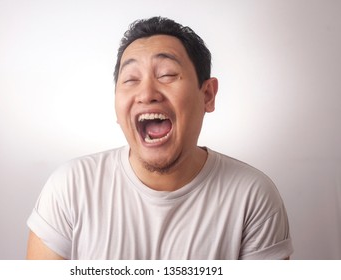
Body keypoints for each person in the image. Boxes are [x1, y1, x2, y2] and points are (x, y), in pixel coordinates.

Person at [26, 16, 293, 260]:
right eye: (130, 79)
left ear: (208, 95)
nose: (146, 93)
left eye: (166, 74)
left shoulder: (253, 197)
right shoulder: (71, 188)